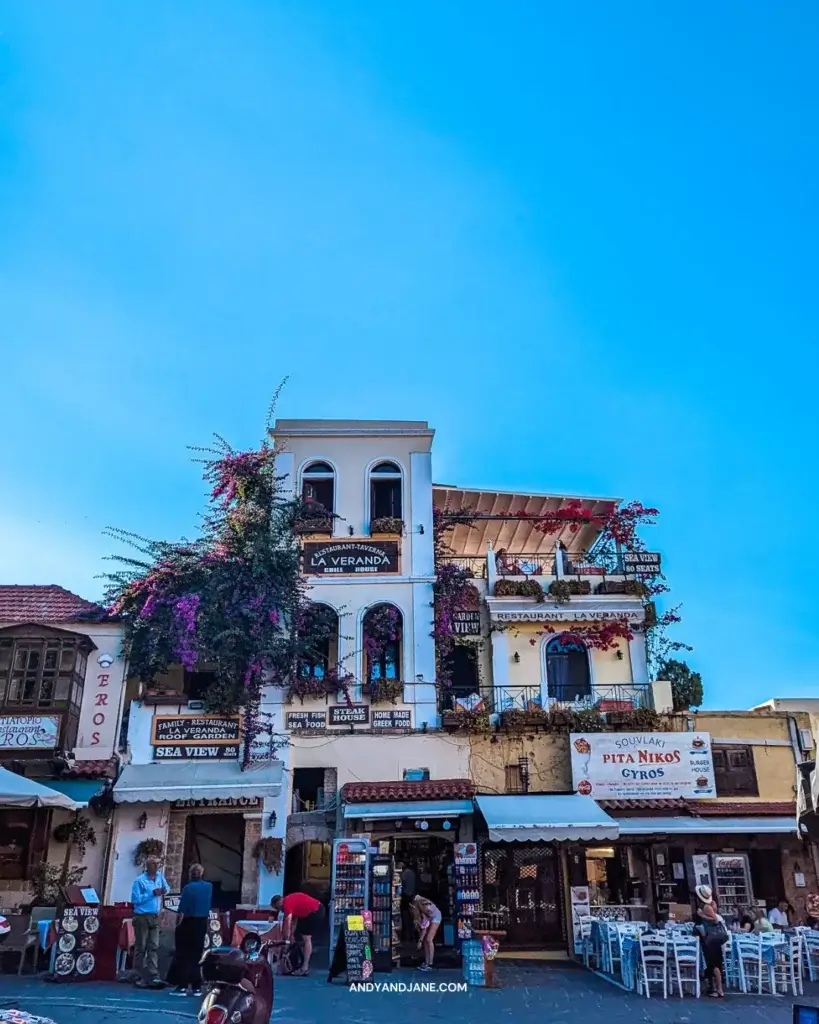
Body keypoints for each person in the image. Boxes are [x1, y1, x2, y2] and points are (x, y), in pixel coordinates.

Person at [169, 864, 213, 996]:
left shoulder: (188, 888)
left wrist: (177, 925)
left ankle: (182, 985)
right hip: (202, 922)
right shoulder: (209, 887)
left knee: (183, 954)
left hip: (188, 922)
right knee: (197, 955)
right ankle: (196, 986)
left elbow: (181, 911)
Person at [131, 857, 170, 988]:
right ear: (149, 866)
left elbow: (167, 888)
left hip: (154, 915)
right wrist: (151, 894)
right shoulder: (139, 881)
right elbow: (135, 899)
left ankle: (153, 974)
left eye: (159, 864)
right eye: (156, 864)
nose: (158, 867)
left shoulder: (159, 877)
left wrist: (164, 891)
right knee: (141, 946)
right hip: (142, 915)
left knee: (153, 945)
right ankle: (139, 974)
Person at [270, 892, 325, 976]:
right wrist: (291, 935)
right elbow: (294, 921)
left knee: (307, 937)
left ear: (279, 903)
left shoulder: (286, 904)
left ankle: (304, 968)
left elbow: (288, 923)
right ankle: (300, 961)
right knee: (301, 935)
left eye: (278, 908)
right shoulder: (289, 901)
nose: (280, 911)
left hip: (315, 911)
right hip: (312, 911)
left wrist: (286, 939)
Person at [694, 885, 726, 998]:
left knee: (714, 964)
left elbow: (715, 919)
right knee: (713, 964)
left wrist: (702, 915)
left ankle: (719, 989)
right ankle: (715, 988)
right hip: (710, 939)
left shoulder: (707, 907)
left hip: (711, 939)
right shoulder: (709, 905)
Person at [411, 895, 441, 972]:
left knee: (429, 939)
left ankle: (430, 964)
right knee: (425, 941)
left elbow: (425, 927)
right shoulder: (421, 908)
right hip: (431, 917)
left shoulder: (426, 908)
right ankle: (427, 962)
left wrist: (419, 941)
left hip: (436, 916)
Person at [399, 862, 417, 940]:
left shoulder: (405, 873)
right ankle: (412, 933)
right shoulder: (412, 872)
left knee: (405, 914)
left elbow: (402, 883)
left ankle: (406, 933)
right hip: (412, 894)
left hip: (406, 895)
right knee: (411, 914)